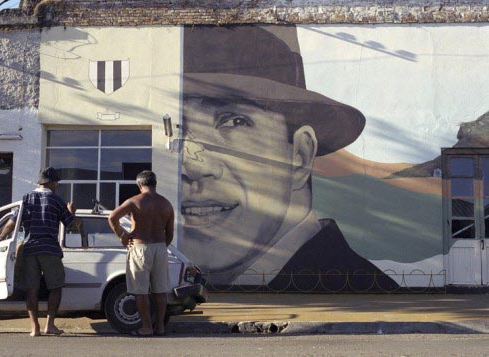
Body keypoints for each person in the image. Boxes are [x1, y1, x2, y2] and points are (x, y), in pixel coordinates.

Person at [179, 25, 398, 291]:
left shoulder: (355, 288)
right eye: (177, 127)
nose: (191, 164)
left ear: (300, 156)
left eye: (235, 122)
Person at [0, 167, 76, 336]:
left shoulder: (26, 199)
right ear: (50, 183)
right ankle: (50, 325)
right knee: (56, 287)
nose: (57, 186)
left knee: (31, 289)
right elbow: (70, 224)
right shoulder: (57, 201)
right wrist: (72, 211)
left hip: (29, 249)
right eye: (56, 183)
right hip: (50, 249)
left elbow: (11, 223)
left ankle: (34, 327)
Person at [108, 170, 174, 336]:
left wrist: (123, 236)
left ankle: (146, 327)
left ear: (139, 185)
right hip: (160, 247)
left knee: (140, 290)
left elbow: (112, 218)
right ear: (155, 184)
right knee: (160, 290)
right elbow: (170, 234)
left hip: (140, 247)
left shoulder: (134, 202)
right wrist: (161, 246)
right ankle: (160, 327)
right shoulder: (166, 204)